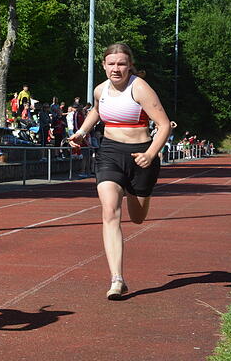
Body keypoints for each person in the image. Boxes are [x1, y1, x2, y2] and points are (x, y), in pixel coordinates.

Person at [69, 43, 170, 300]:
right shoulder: (100, 89)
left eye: (121, 64)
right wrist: (82, 133)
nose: (116, 68)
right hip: (110, 153)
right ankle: (117, 279)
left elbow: (164, 124)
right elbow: (96, 111)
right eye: (111, 64)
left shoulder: (140, 88)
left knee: (137, 218)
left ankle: (138, 191)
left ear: (130, 66)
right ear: (103, 65)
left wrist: (150, 154)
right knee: (110, 211)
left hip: (141, 155)